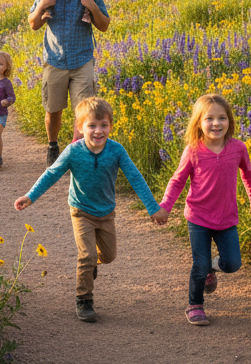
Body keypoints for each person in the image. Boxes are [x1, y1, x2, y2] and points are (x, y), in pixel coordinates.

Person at [14, 96, 162, 323]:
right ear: (80, 127)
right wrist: (30, 196)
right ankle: (84, 299)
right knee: (87, 255)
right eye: (91, 125)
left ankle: (92, 265)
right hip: (80, 211)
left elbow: (135, 178)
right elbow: (52, 173)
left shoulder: (117, 151)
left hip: (106, 213)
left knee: (109, 256)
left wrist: (153, 208)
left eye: (103, 125)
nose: (98, 131)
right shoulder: (73, 151)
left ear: (110, 126)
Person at [156, 93, 251, 326]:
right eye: (209, 118)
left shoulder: (238, 148)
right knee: (199, 264)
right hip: (198, 217)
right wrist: (165, 206)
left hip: (227, 218)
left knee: (233, 263)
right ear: (199, 123)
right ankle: (195, 304)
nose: (216, 123)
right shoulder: (193, 150)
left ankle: (213, 268)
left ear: (230, 122)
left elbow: (249, 174)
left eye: (222, 118)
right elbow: (177, 181)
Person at [28, 0, 110, 166]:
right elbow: (34, 24)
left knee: (84, 112)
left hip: (82, 60)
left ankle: (76, 150)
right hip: (54, 60)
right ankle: (53, 145)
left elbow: (104, 25)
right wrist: (42, 7)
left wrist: (92, 7)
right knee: (53, 111)